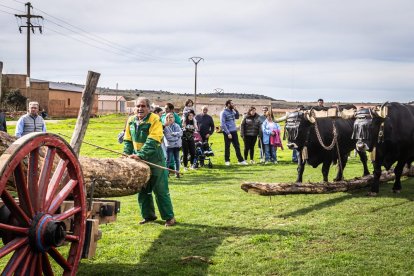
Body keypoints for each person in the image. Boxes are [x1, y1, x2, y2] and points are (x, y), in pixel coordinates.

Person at [124, 97, 176, 227]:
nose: (140, 109)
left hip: (155, 159)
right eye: (138, 106)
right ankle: (148, 216)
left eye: (143, 106)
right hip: (138, 161)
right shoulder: (131, 120)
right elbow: (127, 140)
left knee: (160, 190)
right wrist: (126, 155)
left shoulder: (154, 119)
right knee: (143, 189)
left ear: (148, 108)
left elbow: (153, 140)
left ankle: (169, 217)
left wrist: (140, 155)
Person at [220, 99, 247, 165]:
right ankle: (227, 161)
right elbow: (222, 124)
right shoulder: (223, 112)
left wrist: (235, 109)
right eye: (232, 104)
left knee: (237, 146)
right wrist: (228, 133)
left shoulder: (232, 111)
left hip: (234, 131)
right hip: (227, 132)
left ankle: (240, 160)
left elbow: (237, 117)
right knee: (227, 146)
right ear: (228, 104)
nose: (233, 104)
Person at [163, 112, 183, 178]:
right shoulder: (165, 126)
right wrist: (176, 136)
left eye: (171, 117)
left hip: (177, 146)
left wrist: (173, 134)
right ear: (166, 119)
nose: (170, 119)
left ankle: (177, 173)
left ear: (173, 118)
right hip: (169, 146)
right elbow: (168, 137)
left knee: (177, 160)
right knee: (168, 160)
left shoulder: (177, 125)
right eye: (168, 117)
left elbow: (180, 133)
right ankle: (166, 173)